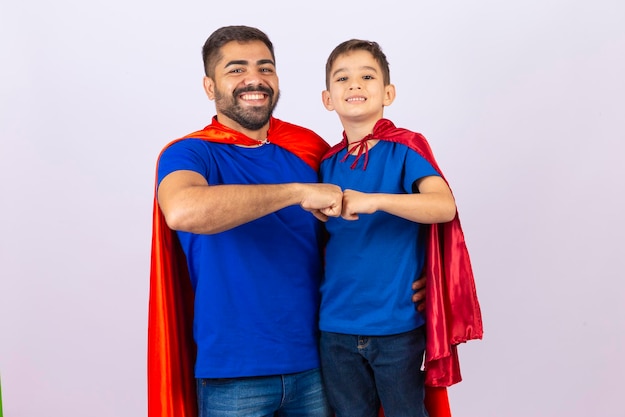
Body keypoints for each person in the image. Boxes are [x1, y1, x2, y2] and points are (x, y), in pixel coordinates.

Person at [147, 26, 429, 417]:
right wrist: (296, 192)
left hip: (322, 362)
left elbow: (360, 229)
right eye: (236, 70)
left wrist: (417, 276)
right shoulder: (189, 154)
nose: (254, 79)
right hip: (233, 374)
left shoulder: (310, 149)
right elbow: (182, 211)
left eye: (265, 68)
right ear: (210, 87)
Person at [317, 39, 483, 417]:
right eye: (343, 78)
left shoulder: (406, 148)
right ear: (328, 98)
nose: (355, 85)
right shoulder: (326, 163)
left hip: (396, 327)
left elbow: (444, 206)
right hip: (335, 327)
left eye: (367, 76)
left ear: (387, 93)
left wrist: (375, 199)